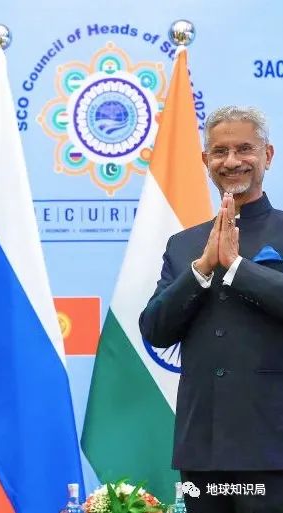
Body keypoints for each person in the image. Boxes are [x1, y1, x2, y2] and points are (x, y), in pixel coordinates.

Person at [139, 106, 283, 513]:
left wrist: (236, 267)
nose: (232, 161)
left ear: (267, 155)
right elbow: (155, 329)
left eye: (244, 149)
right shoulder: (184, 245)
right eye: (220, 152)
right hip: (202, 448)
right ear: (206, 161)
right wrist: (202, 268)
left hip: (273, 445)